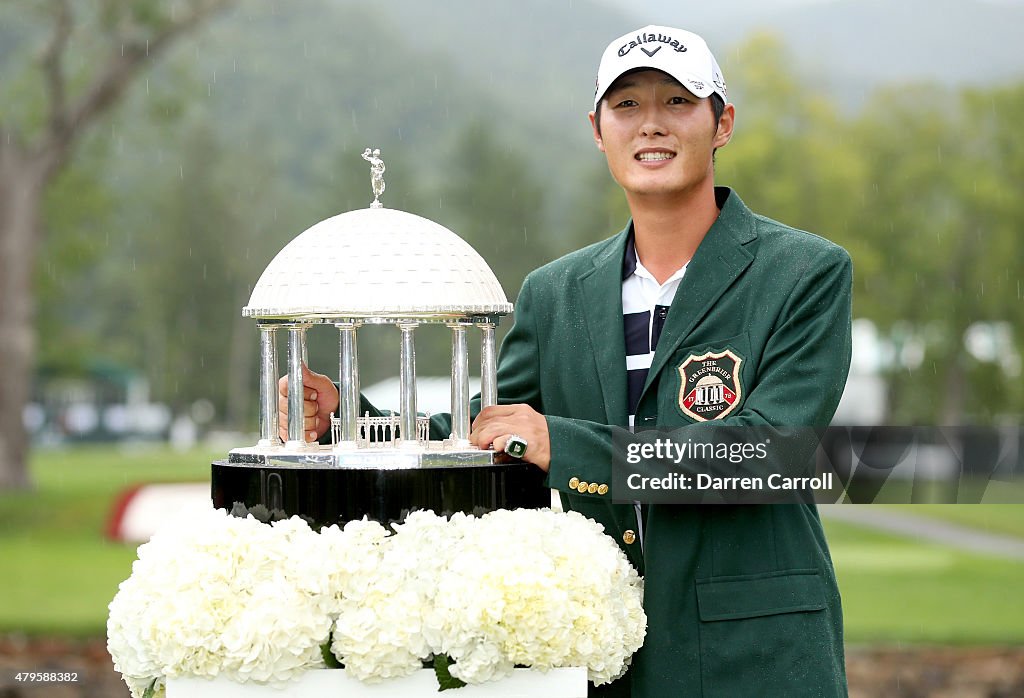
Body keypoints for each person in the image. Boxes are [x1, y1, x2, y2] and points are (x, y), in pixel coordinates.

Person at [282, 24, 851, 698]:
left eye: (677, 103)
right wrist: (349, 414)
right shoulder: (556, 293)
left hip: (756, 655)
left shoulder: (804, 272)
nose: (651, 127)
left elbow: (771, 456)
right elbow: (485, 432)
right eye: (628, 106)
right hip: (602, 662)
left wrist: (570, 447)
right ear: (597, 129)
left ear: (721, 123)